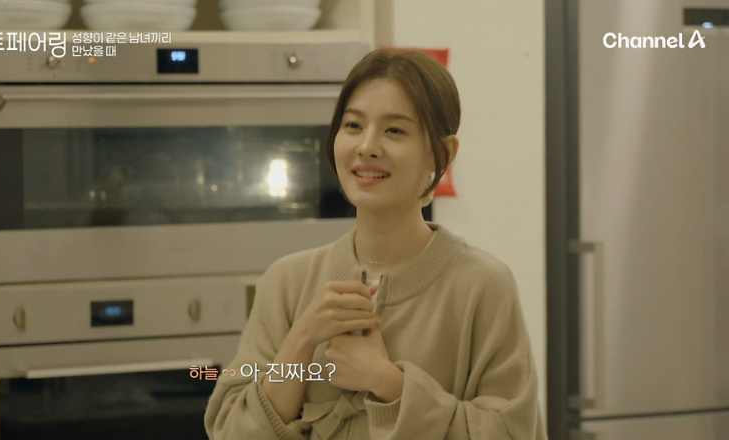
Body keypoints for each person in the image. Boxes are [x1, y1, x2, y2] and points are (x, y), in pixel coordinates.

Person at [204, 49, 547, 440]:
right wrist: (301, 341)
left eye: (394, 131)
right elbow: (230, 431)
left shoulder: (483, 285)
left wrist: (389, 384)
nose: (367, 146)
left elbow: (513, 432)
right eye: (353, 125)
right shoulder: (286, 281)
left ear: (442, 154)